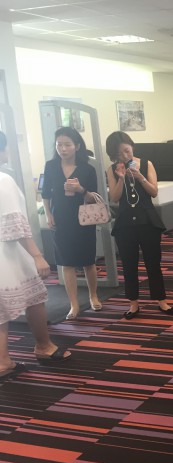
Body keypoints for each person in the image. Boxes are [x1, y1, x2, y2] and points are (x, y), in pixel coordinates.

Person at [0, 130, 71, 378]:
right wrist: (37, 255)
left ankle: (5, 359)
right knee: (33, 297)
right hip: (9, 253)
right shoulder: (3, 180)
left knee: (4, 307)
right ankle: (43, 347)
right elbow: (14, 224)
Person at [105, 131, 173, 319]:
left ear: (132, 147)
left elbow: (153, 192)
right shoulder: (111, 169)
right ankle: (133, 303)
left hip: (148, 220)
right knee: (128, 264)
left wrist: (140, 177)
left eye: (127, 151)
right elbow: (114, 197)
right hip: (125, 223)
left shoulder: (146, 164)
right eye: (119, 154)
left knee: (153, 262)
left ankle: (161, 300)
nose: (125, 156)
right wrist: (121, 178)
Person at [42, 127, 101, 319]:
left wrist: (80, 189)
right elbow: (45, 194)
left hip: (83, 219)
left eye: (67, 144)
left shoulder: (88, 169)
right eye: (59, 145)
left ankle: (93, 296)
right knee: (66, 263)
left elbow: (94, 198)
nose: (63, 149)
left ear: (77, 146)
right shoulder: (51, 166)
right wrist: (48, 214)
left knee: (88, 261)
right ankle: (74, 304)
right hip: (61, 219)